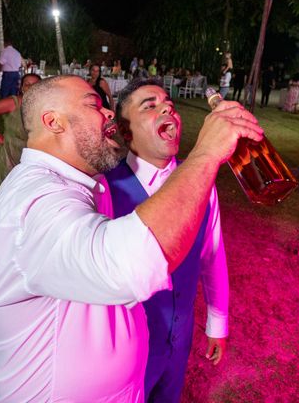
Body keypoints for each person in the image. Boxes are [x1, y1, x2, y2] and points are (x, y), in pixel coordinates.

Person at [0, 75, 262, 402]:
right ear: (53, 121)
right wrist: (206, 154)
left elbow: (211, 255)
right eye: (93, 105)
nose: (108, 114)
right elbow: (129, 265)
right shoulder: (35, 202)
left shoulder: (85, 185)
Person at [105, 80, 229, 402]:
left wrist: (217, 321)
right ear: (126, 131)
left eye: (169, 104)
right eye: (149, 105)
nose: (166, 108)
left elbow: (212, 255)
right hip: (126, 349)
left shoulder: (201, 181)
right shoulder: (104, 189)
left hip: (180, 336)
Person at [0, 73, 41, 187]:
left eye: (35, 85)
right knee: (10, 186)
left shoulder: (44, 105)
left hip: (33, 153)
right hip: (11, 152)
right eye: (27, 84)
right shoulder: (13, 103)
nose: (31, 88)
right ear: (21, 88)